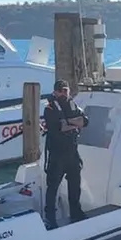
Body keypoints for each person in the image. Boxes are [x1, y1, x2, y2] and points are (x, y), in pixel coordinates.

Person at [43, 79, 89, 229]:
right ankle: (50, 217)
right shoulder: (50, 108)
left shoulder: (72, 105)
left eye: (66, 90)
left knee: (75, 184)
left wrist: (69, 122)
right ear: (55, 92)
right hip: (57, 154)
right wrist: (74, 123)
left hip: (72, 152)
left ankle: (76, 211)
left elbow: (85, 121)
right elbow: (58, 128)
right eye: (61, 91)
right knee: (53, 187)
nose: (64, 93)